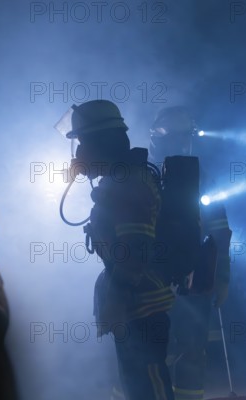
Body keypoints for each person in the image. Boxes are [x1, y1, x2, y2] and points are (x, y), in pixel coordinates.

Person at [57, 100, 175, 400]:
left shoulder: (128, 183)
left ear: (101, 143)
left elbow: (135, 252)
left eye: (82, 144)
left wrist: (115, 300)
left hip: (142, 305)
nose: (79, 154)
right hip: (134, 305)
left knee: (150, 384)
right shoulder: (118, 181)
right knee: (137, 387)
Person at [148, 106, 232, 400]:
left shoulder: (201, 178)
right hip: (151, 281)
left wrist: (221, 276)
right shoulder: (143, 177)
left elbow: (219, 230)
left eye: (185, 136)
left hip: (191, 281)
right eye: (177, 136)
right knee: (147, 356)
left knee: (191, 353)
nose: (182, 143)